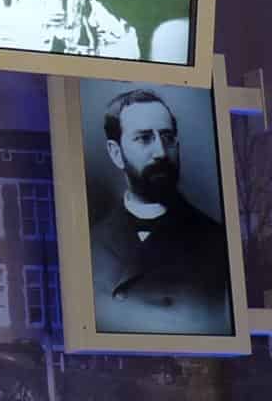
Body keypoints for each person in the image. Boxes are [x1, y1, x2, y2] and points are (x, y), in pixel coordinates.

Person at [87, 87, 232, 334]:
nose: (161, 153)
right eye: (144, 138)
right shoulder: (90, 243)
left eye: (167, 137)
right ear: (115, 153)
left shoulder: (215, 240)